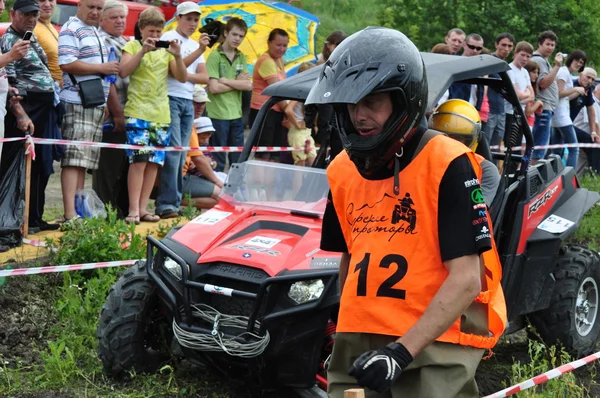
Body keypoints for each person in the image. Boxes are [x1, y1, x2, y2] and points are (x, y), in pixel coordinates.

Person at [306, 27, 506, 398]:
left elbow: (467, 278)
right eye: (351, 104)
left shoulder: (448, 163)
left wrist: (400, 352)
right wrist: (340, 326)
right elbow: (350, 257)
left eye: (372, 102)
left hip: (432, 341)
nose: (359, 116)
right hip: (360, 335)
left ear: (403, 101)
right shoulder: (341, 169)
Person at [119, 7, 187, 224]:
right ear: (141, 29)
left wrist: (178, 56)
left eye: (159, 32)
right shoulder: (131, 45)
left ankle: (143, 208)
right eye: (151, 31)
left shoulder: (166, 51)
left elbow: (182, 77)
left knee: (154, 163)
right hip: (137, 111)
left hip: (161, 114)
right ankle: (132, 210)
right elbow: (123, 71)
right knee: (138, 161)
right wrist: (142, 51)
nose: (155, 36)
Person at [1, 0, 60, 233]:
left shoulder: (31, 36)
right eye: (26, 15)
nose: (31, 19)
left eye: (35, 15)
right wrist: (21, 113)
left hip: (45, 106)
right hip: (28, 106)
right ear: (14, 14)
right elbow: (11, 79)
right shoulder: (9, 39)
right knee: (24, 163)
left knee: (43, 163)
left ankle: (36, 217)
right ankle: (20, 220)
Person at [58, 0, 118, 224]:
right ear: (80, 5)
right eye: (91, 6)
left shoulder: (94, 30)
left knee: (83, 161)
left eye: (99, 8)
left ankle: (78, 211)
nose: (95, 11)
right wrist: (102, 68)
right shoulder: (71, 28)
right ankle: (69, 214)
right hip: (76, 100)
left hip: (93, 102)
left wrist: (103, 104)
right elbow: (66, 63)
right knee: (73, 159)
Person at [156, 1, 210, 219]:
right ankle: (166, 203)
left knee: (181, 153)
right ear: (178, 18)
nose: (193, 23)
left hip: (187, 99)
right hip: (170, 97)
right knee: (174, 151)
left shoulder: (196, 45)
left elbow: (204, 78)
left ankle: (174, 201)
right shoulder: (169, 38)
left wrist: (184, 71)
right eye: (189, 19)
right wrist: (197, 52)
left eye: (196, 20)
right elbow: (174, 72)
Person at [92, 0, 130, 218]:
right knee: (107, 170)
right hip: (112, 116)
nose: (119, 21)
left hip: (128, 112)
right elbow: (109, 83)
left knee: (123, 168)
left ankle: (119, 212)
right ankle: (105, 214)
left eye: (122, 17)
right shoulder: (102, 42)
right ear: (102, 19)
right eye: (114, 17)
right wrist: (117, 114)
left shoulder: (123, 41)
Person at [429, 99, 500, 207]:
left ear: (475, 139)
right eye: (443, 139)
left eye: (458, 140)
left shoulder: (486, 171)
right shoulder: (421, 161)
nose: (450, 146)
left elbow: (475, 213)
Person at [205, 17, 251, 172]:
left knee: (238, 160)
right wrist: (235, 82)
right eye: (234, 34)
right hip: (217, 115)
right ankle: (216, 193)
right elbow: (214, 88)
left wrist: (225, 81)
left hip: (236, 115)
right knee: (218, 159)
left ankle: (235, 193)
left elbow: (247, 85)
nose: (237, 39)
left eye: (241, 36)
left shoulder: (242, 56)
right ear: (226, 33)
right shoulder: (215, 56)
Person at [249, 28, 289, 162]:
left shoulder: (279, 61)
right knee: (263, 154)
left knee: (275, 154)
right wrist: (289, 112)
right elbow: (277, 90)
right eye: (278, 45)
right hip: (264, 110)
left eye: (285, 45)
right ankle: (260, 182)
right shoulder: (266, 61)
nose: (281, 49)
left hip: (277, 111)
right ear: (269, 43)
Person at [550, 50, 587, 169]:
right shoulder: (563, 72)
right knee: (574, 148)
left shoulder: (567, 73)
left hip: (559, 114)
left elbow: (566, 97)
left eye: (581, 62)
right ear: (571, 59)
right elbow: (558, 94)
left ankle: (555, 175)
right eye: (577, 60)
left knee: (557, 149)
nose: (579, 64)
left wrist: (579, 91)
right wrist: (575, 89)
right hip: (561, 116)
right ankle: (571, 177)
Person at [531, 31, 563, 163]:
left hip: (546, 107)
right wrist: (557, 66)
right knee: (539, 148)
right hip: (543, 108)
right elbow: (543, 83)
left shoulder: (543, 60)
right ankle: (531, 175)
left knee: (540, 146)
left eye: (552, 45)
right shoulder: (538, 60)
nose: (550, 47)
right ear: (539, 44)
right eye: (547, 44)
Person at [182, 116, 223, 210]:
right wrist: (216, 181)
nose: (205, 140)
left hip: (202, 176)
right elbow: (198, 160)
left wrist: (210, 163)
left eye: (208, 137)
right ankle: (175, 201)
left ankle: (174, 201)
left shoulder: (205, 146)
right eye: (203, 137)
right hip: (189, 177)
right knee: (222, 196)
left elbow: (210, 161)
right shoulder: (191, 135)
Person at [484, 33, 515, 155]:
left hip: (501, 110)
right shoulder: (489, 61)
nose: (506, 49)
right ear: (496, 44)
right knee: (485, 147)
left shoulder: (505, 66)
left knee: (496, 149)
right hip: (489, 110)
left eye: (509, 46)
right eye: (503, 45)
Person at [284, 62, 317, 167]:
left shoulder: (308, 92)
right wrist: (297, 124)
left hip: (306, 132)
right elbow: (288, 110)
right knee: (300, 166)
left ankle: (310, 183)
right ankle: (298, 184)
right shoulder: (298, 92)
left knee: (313, 164)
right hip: (298, 132)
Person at [34, 0, 62, 86]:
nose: (47, 4)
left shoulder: (50, 25)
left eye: (50, 0)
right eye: (42, 0)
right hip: (46, 91)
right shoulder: (32, 28)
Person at [524, 61, 544, 129]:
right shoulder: (526, 89)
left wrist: (536, 106)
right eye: (534, 72)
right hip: (526, 124)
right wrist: (538, 103)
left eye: (537, 73)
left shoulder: (532, 88)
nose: (537, 75)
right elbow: (528, 112)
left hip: (530, 122)